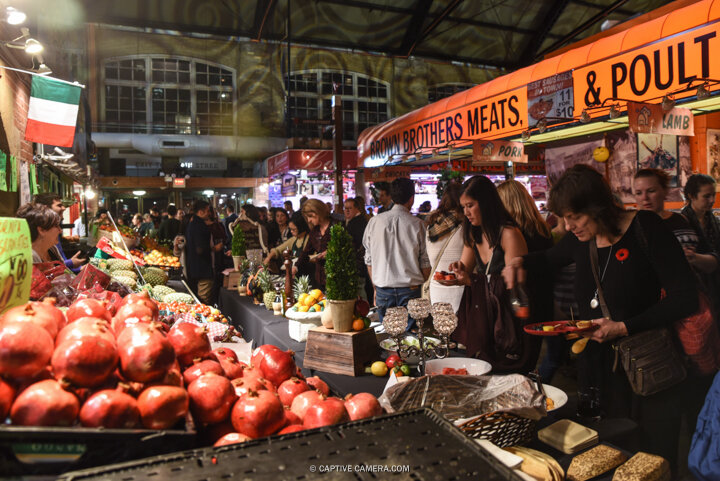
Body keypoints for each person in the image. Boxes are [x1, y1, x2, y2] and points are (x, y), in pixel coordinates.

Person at [503, 164, 698, 471]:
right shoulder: (582, 239)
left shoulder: (645, 228)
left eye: (575, 217)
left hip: (650, 372)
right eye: (565, 218)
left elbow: (685, 297)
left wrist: (623, 326)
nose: (568, 226)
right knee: (606, 459)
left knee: (653, 464)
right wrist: (517, 262)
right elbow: (548, 260)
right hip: (601, 377)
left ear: (598, 207)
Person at [448, 175, 535, 373]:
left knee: (507, 374)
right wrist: (456, 271)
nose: (466, 212)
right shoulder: (473, 233)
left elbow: (514, 282)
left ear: (486, 203)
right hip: (485, 316)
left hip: (509, 318)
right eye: (463, 207)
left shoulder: (509, 234)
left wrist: (471, 280)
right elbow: (465, 268)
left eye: (470, 205)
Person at [363, 178, 430, 325]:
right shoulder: (419, 225)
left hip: (383, 289)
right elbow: (426, 264)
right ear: (411, 199)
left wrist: (375, 287)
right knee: (410, 340)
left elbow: (369, 260)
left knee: (388, 338)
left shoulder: (374, 222)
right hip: (411, 290)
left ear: (392, 197)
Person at [681, 174, 720, 314]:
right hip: (698, 286)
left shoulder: (713, 219)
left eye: (713, 195)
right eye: (706, 196)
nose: (712, 200)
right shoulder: (682, 221)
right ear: (691, 196)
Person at [425, 182, 465, 312]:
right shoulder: (466, 226)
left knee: (442, 329)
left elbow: (431, 260)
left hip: (437, 289)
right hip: (461, 289)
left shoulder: (431, 227)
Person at [33, 193, 86, 272]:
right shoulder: (32, 255)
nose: (64, 208)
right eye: (59, 205)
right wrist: (71, 263)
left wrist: (78, 268)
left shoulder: (52, 247)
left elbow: (60, 268)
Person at [294, 199, 336, 290]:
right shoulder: (314, 231)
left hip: (336, 277)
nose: (309, 220)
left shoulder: (336, 226)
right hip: (320, 279)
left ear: (319, 211)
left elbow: (348, 249)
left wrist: (331, 252)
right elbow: (306, 252)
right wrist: (295, 267)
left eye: (310, 216)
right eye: (307, 217)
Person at [264, 212, 314, 278]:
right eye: (290, 229)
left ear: (301, 227)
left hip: (307, 275)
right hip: (294, 274)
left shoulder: (309, 239)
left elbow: (313, 257)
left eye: (293, 229)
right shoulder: (294, 239)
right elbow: (278, 250)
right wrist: (268, 258)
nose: (291, 231)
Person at [185, 200, 214, 304]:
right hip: (202, 269)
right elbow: (200, 249)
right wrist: (214, 249)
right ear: (201, 212)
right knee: (203, 301)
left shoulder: (193, 223)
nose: (209, 213)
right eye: (207, 211)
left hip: (195, 268)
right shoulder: (199, 225)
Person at [344, 197, 369, 300]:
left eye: (350, 208)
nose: (347, 210)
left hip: (358, 264)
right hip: (361, 264)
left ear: (357, 209)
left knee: (360, 292)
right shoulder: (358, 220)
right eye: (345, 208)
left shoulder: (357, 223)